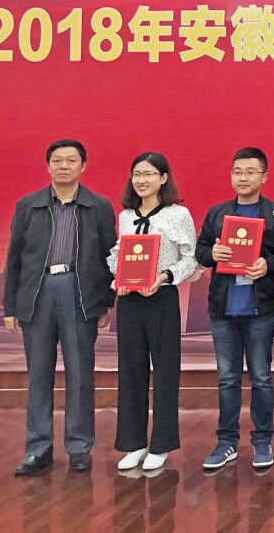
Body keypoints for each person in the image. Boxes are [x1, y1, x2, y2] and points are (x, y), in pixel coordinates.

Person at [4, 139, 117, 476]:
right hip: (38, 293)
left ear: (83, 166)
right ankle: (37, 448)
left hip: (79, 293)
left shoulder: (98, 206)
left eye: (71, 160)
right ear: (48, 165)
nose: (63, 166)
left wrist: (105, 302)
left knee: (80, 374)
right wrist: (10, 306)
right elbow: (14, 257)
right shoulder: (29, 205)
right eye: (57, 160)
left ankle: (79, 447)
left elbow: (108, 257)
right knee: (38, 374)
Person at [195, 147, 274, 470]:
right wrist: (213, 254)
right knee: (227, 378)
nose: (243, 178)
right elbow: (201, 250)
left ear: (264, 177)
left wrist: (267, 264)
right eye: (237, 172)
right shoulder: (217, 213)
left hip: (260, 309)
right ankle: (226, 443)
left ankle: (262, 441)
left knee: (261, 377)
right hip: (223, 309)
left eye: (250, 172)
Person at [108, 152, 201, 472]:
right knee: (130, 371)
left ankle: (160, 444)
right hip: (129, 302)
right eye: (136, 174)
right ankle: (133, 444)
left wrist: (164, 277)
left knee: (165, 371)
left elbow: (191, 258)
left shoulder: (179, 214)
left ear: (163, 178)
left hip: (161, 298)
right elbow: (119, 255)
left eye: (148, 174)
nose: (141, 180)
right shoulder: (125, 216)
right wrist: (118, 280)